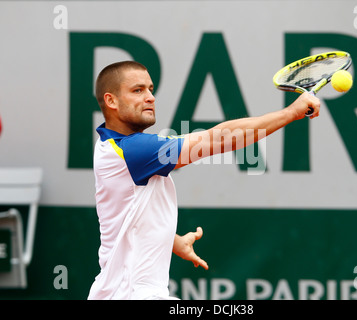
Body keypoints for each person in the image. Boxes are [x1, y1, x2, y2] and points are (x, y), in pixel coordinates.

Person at [87, 60, 320, 300]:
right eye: (138, 90)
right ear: (111, 100)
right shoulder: (132, 151)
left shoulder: (111, 148)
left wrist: (171, 240)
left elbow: (128, 215)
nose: (150, 97)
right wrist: (292, 112)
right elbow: (217, 140)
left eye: (150, 89)